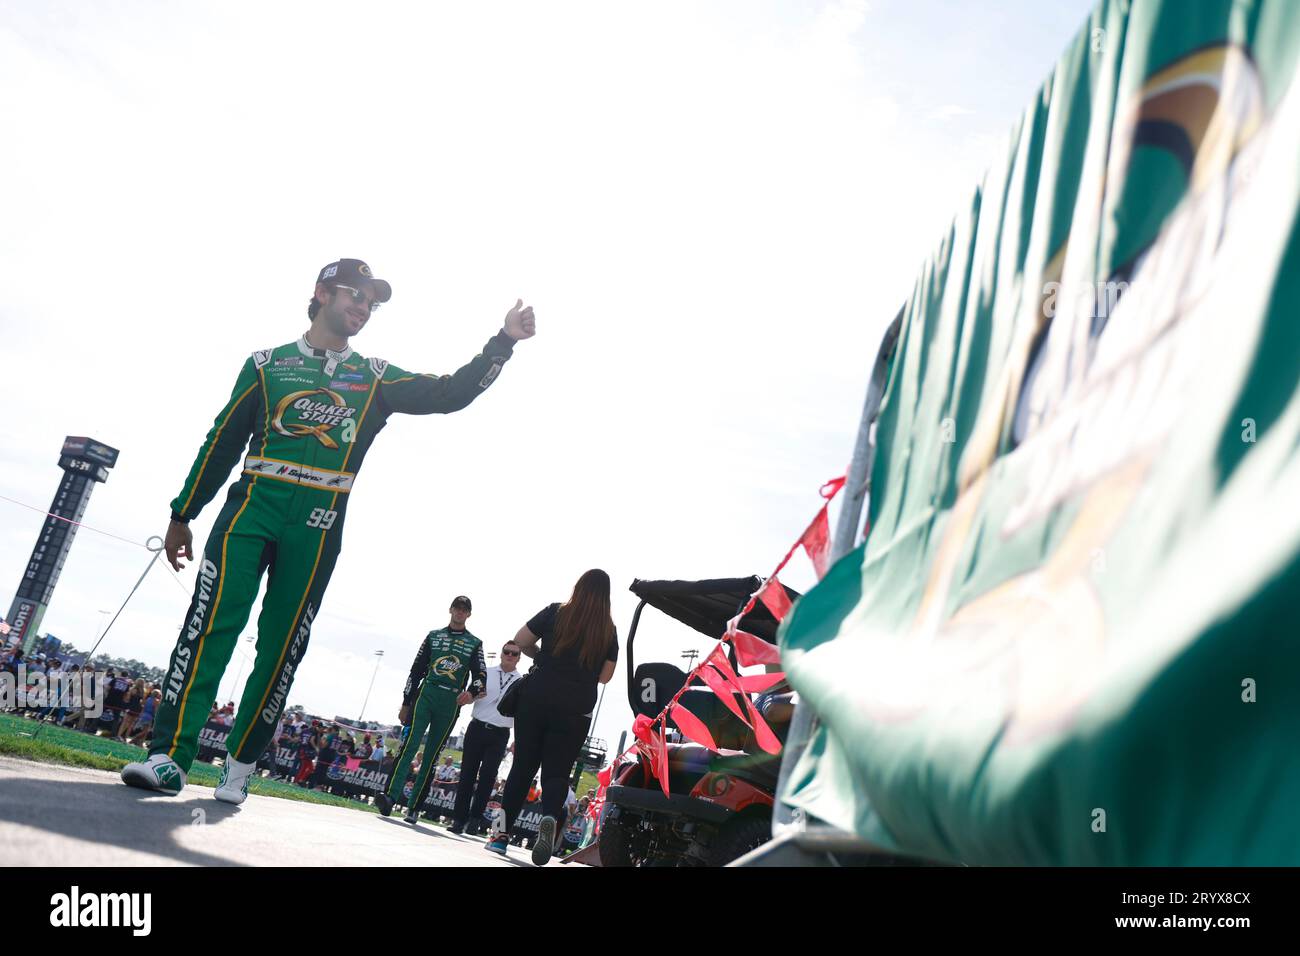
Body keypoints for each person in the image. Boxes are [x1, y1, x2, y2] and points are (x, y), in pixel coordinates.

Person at [120, 259, 535, 804]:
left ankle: (239, 768)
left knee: (281, 646)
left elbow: (450, 394)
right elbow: (220, 442)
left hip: (318, 522)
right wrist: (183, 513)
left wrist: (501, 342)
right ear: (320, 293)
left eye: (371, 301)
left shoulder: (377, 375)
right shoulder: (266, 365)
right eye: (353, 294)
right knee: (209, 626)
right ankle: (169, 758)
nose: (362, 307)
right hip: (250, 510)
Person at [485, 569, 618, 865]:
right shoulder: (607, 629)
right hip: (575, 709)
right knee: (557, 773)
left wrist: (543, 657)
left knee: (522, 766)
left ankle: (500, 837)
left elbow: (519, 640)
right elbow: (606, 676)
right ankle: (547, 819)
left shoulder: (556, 612)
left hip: (537, 698)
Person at [375, 596, 486, 823]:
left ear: (469, 614)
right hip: (427, 693)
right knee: (410, 745)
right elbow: (415, 671)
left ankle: (414, 807)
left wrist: (471, 693)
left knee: (432, 754)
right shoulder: (434, 636)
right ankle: (389, 797)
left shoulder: (475, 643)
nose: (460, 612)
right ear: (450, 609)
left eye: (464, 610)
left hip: (451, 700)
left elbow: (481, 675)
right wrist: (406, 702)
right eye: (457, 608)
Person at [448, 639, 521, 835]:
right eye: (507, 651)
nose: (510, 655)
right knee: (467, 775)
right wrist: (468, 697)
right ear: (501, 653)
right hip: (477, 728)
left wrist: (518, 739)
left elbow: (522, 712)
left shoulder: (521, 681)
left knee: (488, 777)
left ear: (519, 658)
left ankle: (474, 820)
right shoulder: (486, 673)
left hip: (500, 733)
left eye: (514, 653)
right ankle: (458, 820)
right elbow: (471, 695)